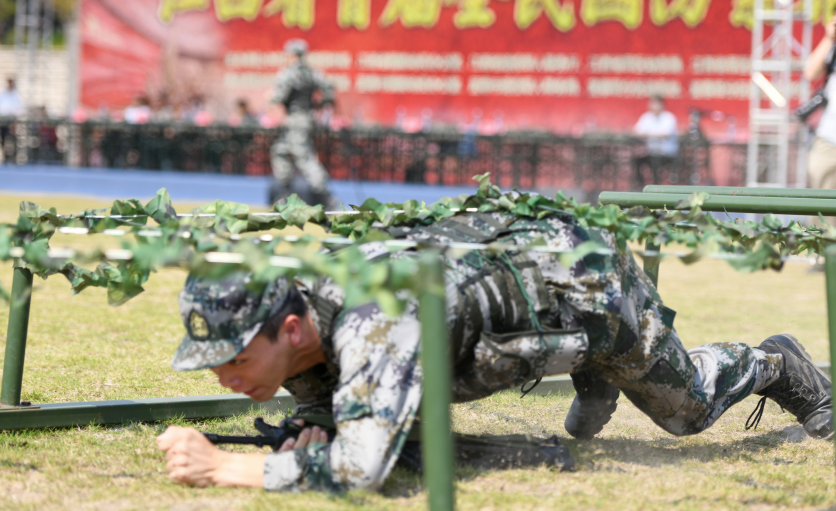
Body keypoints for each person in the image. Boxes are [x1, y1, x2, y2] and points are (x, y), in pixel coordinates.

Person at [157, 208, 833, 492]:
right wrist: (318, 423)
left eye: (236, 357)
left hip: (583, 283)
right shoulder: (299, 297)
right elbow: (327, 389)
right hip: (521, 303)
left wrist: (226, 470)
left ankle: (775, 362)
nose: (224, 374)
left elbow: (362, 467)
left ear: (292, 328)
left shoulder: (376, 313)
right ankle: (595, 379)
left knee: (685, 410)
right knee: (591, 401)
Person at [268, 39, 337, 208]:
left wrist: (270, 98)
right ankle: (283, 194)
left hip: (296, 119)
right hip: (307, 119)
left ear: (292, 54)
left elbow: (279, 96)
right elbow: (329, 90)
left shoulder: (289, 73)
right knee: (280, 151)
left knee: (304, 157)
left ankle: (325, 197)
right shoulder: (312, 73)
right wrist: (319, 105)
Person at [803, 13, 836, 191]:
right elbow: (810, 72)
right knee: (821, 212)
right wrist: (828, 37)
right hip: (829, 140)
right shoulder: (832, 46)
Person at [634, 95, 680, 186]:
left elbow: (665, 134)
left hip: (667, 154)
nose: (654, 106)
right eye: (652, 103)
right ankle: (640, 187)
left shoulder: (669, 117)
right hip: (650, 152)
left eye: (656, 103)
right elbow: (636, 131)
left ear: (662, 105)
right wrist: (654, 134)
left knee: (656, 161)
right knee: (637, 160)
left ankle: (656, 188)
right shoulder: (646, 117)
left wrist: (648, 134)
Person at [0, 77, 23, 161]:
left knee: (12, 139)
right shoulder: (0, 93)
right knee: (2, 138)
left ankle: (13, 155)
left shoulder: (16, 94)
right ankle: (4, 155)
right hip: (2, 121)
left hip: (11, 121)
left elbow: (19, 108)